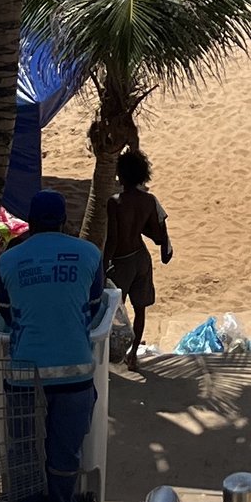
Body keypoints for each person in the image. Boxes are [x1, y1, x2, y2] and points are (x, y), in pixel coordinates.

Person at [0, 189, 106, 502]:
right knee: (66, 450)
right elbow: (94, 308)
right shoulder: (89, 254)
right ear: (63, 221)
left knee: (24, 447)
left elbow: (7, 314)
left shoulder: (8, 260)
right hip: (75, 373)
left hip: (24, 375)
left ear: (29, 222)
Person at [105, 148, 173, 365]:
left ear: (121, 174)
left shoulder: (115, 202)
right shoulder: (149, 200)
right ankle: (133, 354)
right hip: (141, 258)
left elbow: (113, 240)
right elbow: (156, 232)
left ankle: (116, 354)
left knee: (117, 312)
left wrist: (103, 264)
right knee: (140, 308)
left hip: (121, 261)